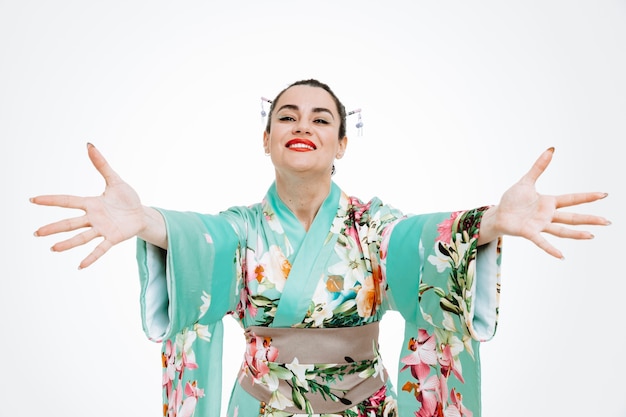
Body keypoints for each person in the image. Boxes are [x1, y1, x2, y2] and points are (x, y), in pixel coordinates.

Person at [31, 79, 610, 417]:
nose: (300, 125)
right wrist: (146, 221)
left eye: (319, 118)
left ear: (341, 142)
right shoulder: (241, 228)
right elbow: (196, 242)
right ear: (267, 139)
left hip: (362, 407)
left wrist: (488, 222)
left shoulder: (374, 226)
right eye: (286, 116)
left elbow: (422, 242)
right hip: (258, 406)